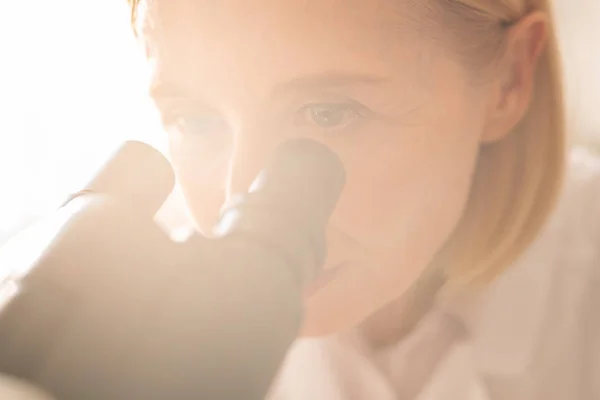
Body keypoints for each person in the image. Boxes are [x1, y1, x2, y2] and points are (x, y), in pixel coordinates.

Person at [127, 1, 599, 399]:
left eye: (328, 114)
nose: (238, 200)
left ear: (508, 81)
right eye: (193, 120)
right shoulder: (136, 312)